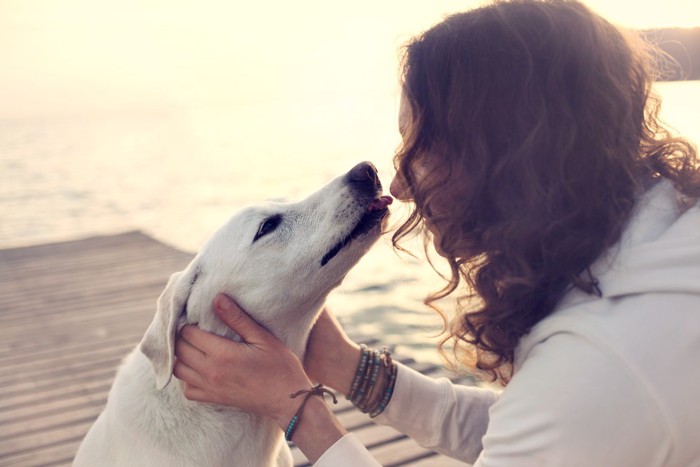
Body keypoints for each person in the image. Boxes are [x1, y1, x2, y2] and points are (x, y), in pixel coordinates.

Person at [173, 0, 700, 465]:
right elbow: (522, 429)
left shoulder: (603, 360)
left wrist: (298, 413)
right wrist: (343, 365)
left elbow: (562, 413)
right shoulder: (662, 238)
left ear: (501, 153)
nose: (399, 184)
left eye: (416, 146)